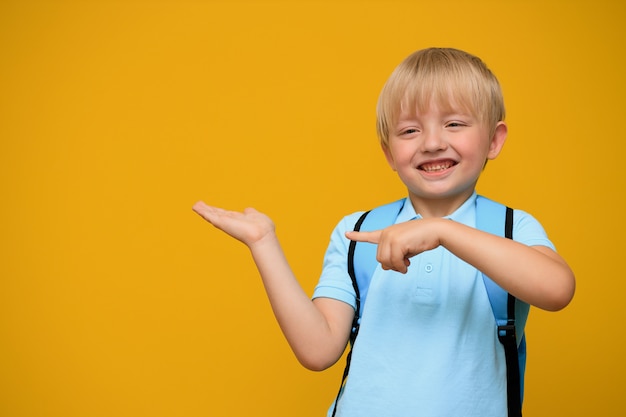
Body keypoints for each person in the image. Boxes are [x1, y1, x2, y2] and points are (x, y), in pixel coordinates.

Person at [192, 47, 575, 416]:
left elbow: (557, 290)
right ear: (389, 153)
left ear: (494, 139)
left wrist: (443, 231)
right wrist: (263, 243)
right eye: (409, 130)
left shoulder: (511, 228)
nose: (432, 142)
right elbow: (318, 350)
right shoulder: (358, 232)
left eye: (454, 124)